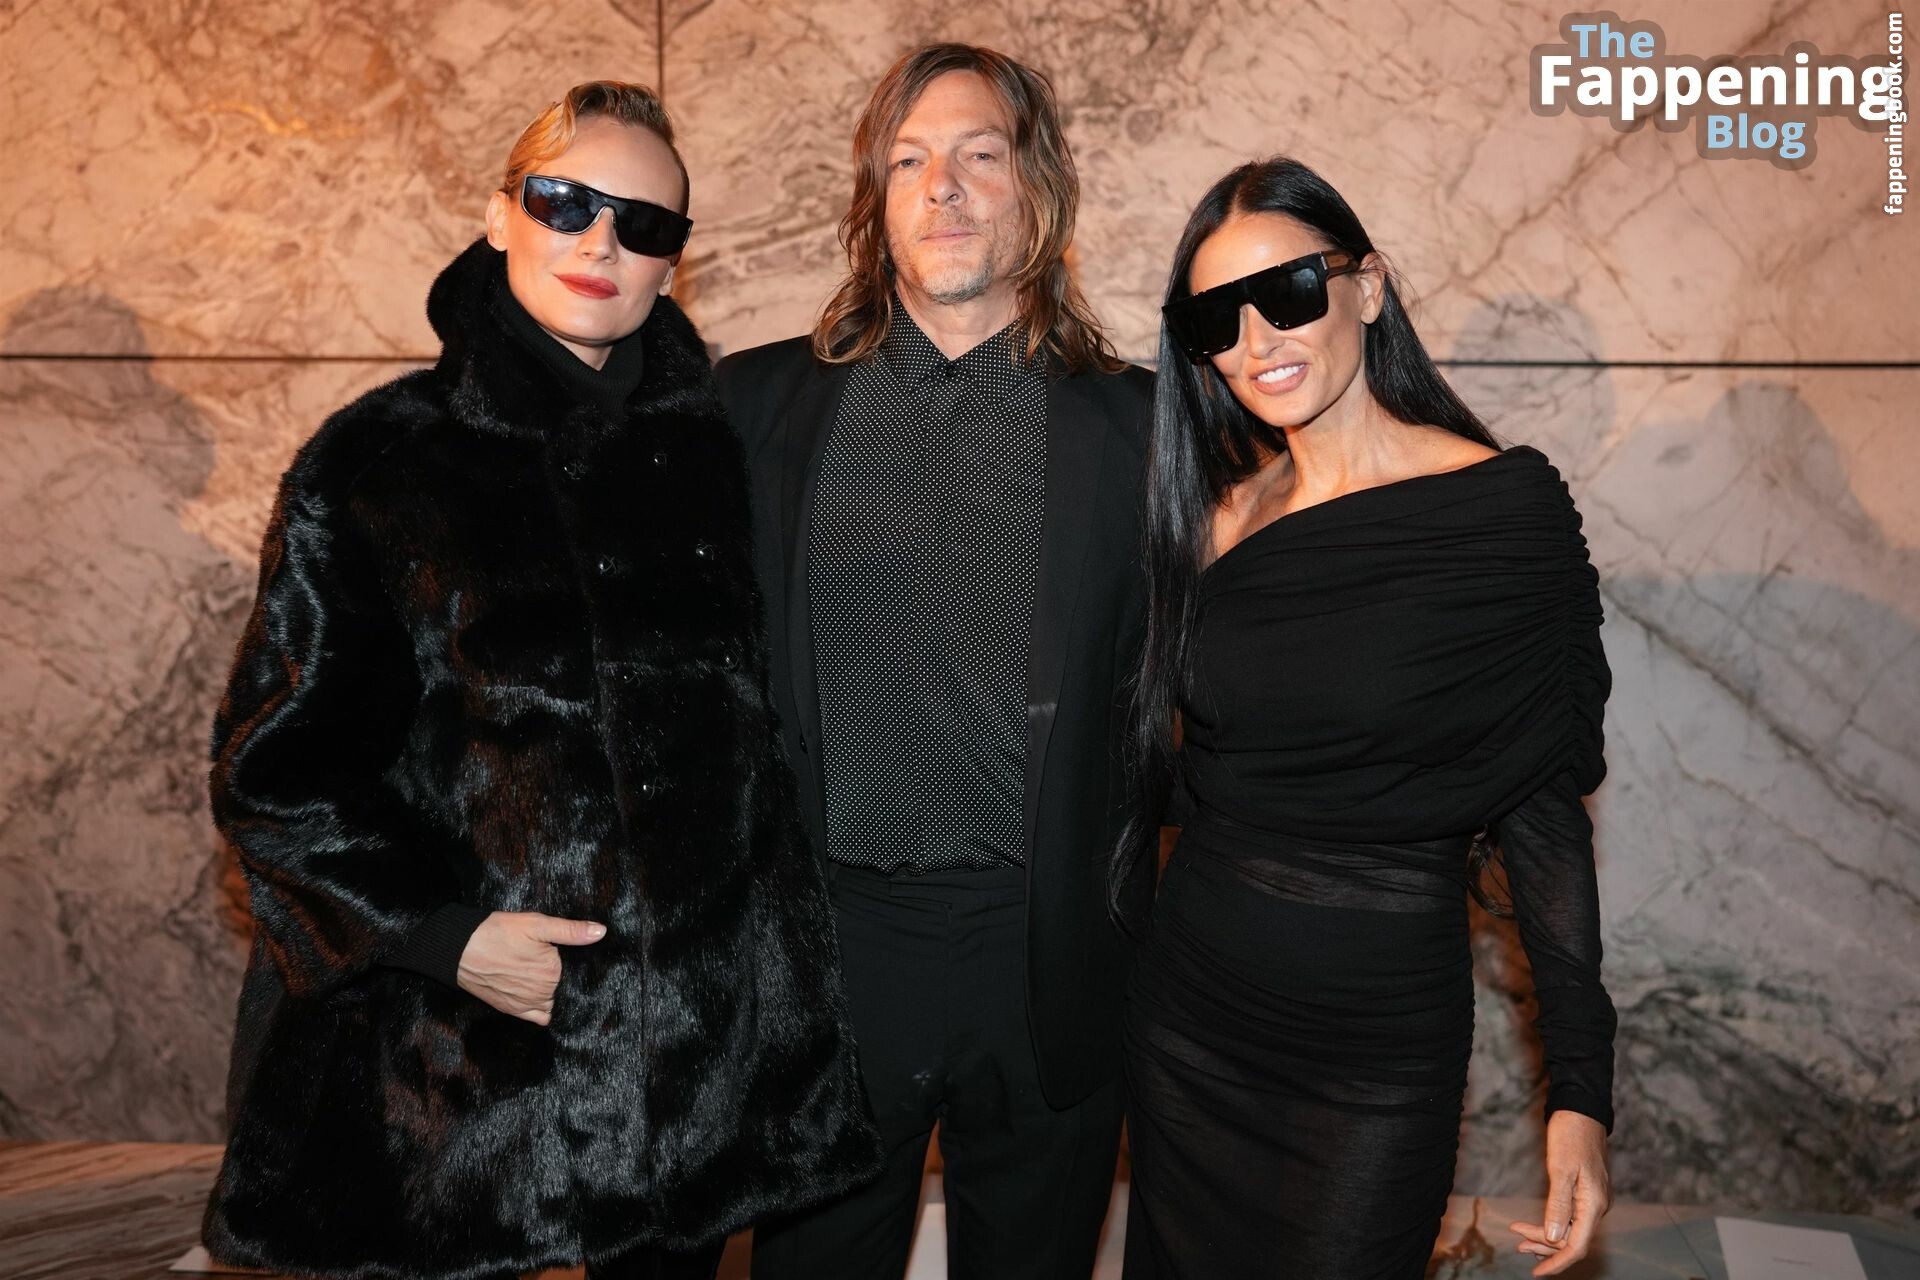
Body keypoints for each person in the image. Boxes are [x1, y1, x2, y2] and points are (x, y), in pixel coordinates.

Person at [200, 81, 880, 1280]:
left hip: (689, 1094)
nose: (601, 242)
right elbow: (277, 774)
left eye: (644, 223)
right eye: (566, 201)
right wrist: (447, 937)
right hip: (454, 1087)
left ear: (674, 261)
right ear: (499, 213)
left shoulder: (718, 464)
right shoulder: (380, 462)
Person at [1115, 156, 1617, 1280]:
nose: (1256, 339)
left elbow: (1543, 817)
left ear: (1370, 286)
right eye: (1216, 319)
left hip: (1376, 1047)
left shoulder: (1500, 511)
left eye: (1289, 291)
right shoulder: (1214, 517)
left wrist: (1581, 1094)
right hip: (1193, 1018)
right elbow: (1195, 775)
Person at [712, 42, 1154, 1280]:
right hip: (833, 953)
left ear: (1039, 187)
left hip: (1048, 957)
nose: (942, 187)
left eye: (978, 154)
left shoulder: (1143, 425)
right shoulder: (755, 407)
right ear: (876, 199)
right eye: (908, 161)